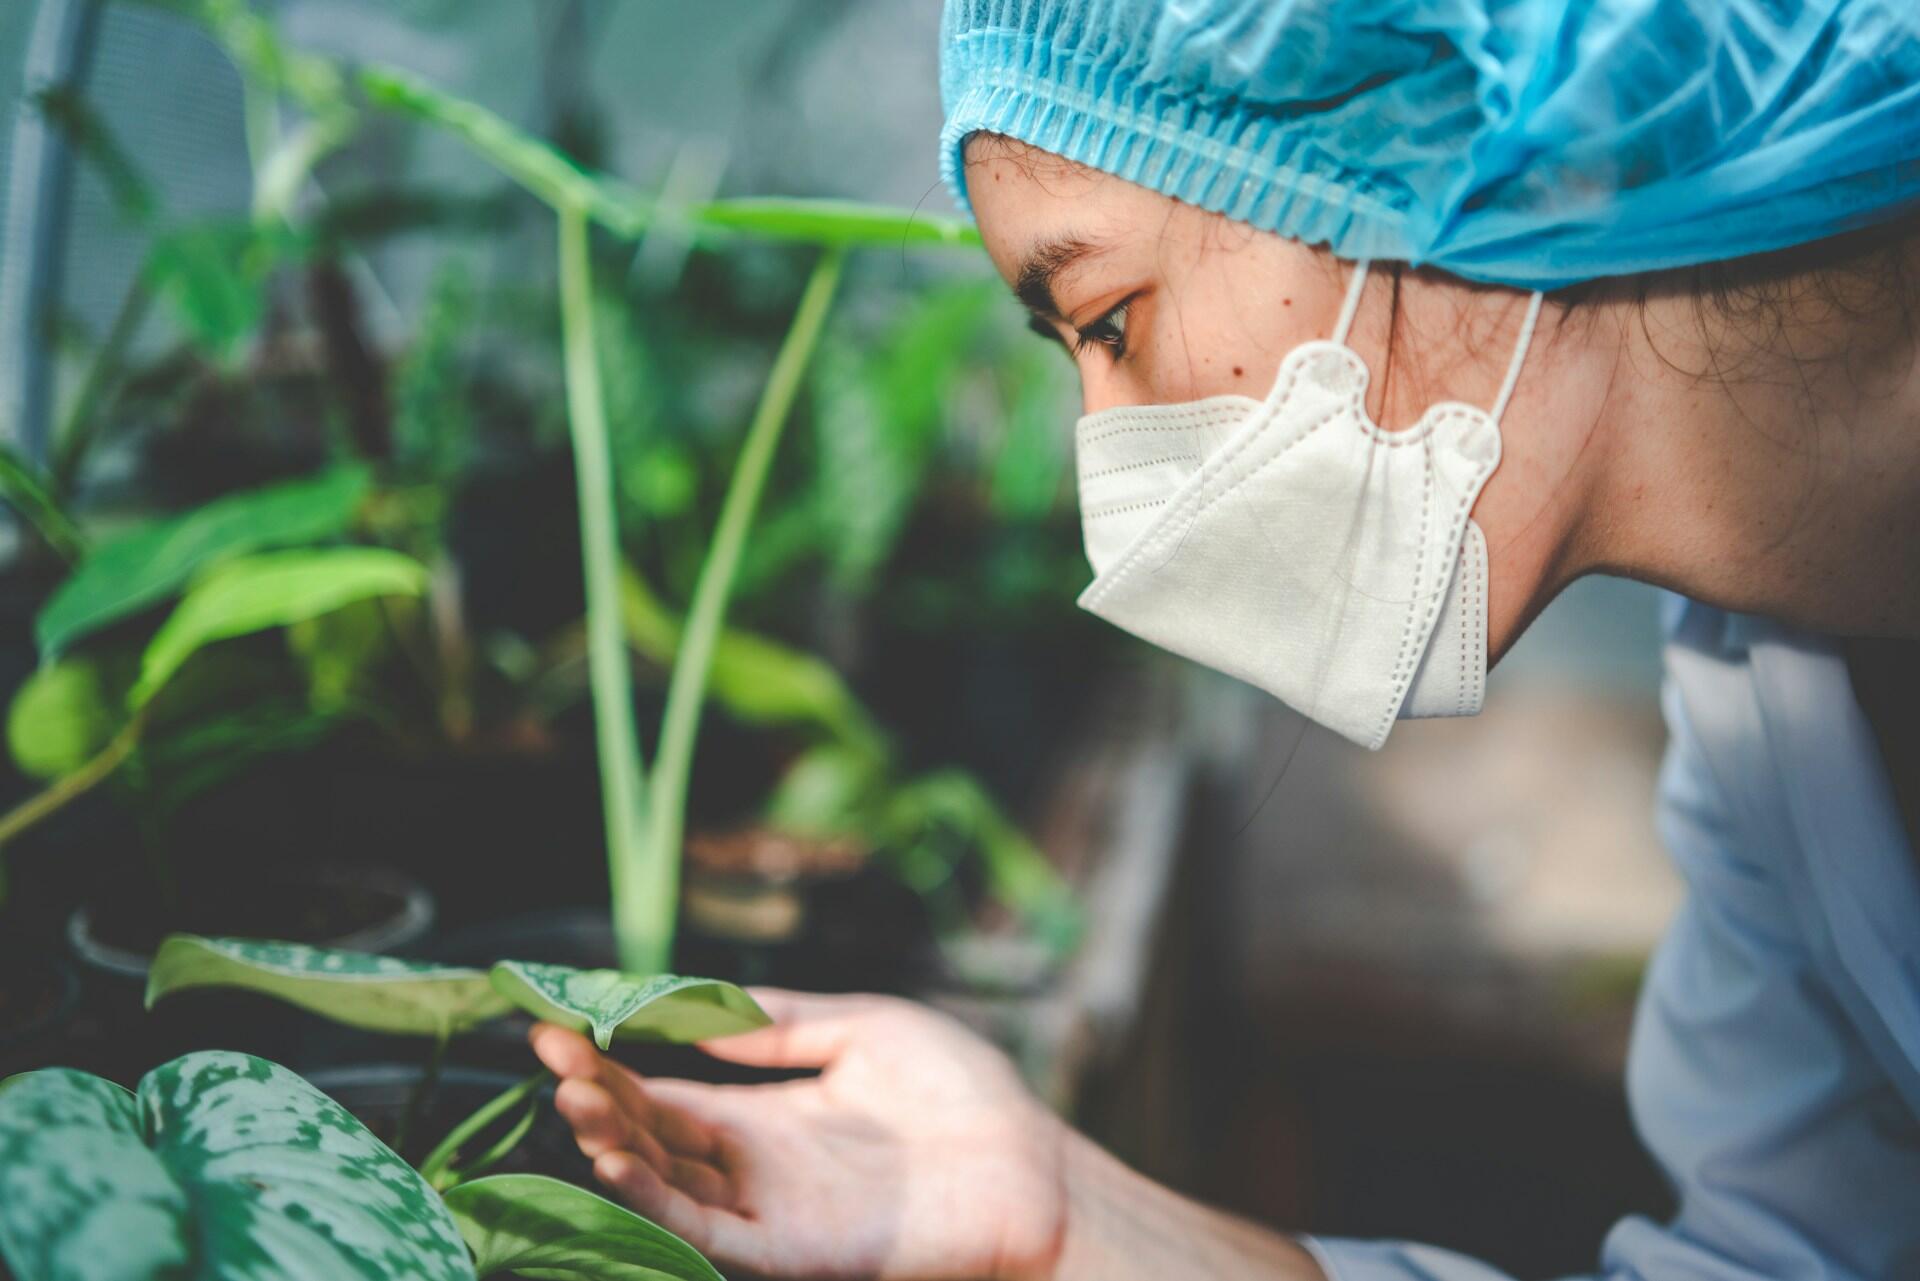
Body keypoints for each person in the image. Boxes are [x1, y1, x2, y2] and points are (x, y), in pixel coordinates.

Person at [533, 2, 1920, 1277]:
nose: (1108, 483)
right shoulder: (1775, 706)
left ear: (1472, 132)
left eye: (1110, 319)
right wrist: (1065, 1219)